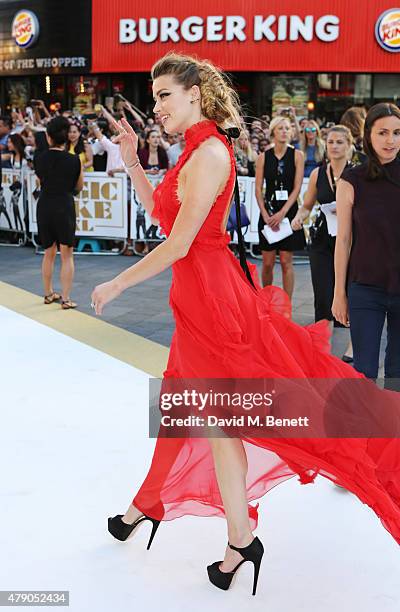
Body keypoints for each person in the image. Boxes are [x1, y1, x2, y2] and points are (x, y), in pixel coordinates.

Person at [91, 54, 400, 596]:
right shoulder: (191, 150)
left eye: (165, 94)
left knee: (231, 415)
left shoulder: (209, 152)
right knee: (197, 414)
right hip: (195, 299)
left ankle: (211, 529)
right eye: (154, 94)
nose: (156, 105)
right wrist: (133, 163)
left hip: (214, 302)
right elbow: (165, 219)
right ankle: (212, 530)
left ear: (194, 95)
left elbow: (182, 242)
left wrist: (117, 284)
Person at [333, 102, 400, 390]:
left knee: (398, 372)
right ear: (368, 135)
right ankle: (364, 433)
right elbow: (344, 239)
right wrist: (339, 293)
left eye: (397, 133)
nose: (391, 140)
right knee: (364, 371)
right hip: (365, 288)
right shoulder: (352, 179)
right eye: (383, 132)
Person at [291, 125, 354, 361]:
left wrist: (348, 209)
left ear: (349, 145)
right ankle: (321, 345)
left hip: (349, 241)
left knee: (350, 291)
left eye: (340, 142)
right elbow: (307, 205)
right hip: (322, 240)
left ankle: (352, 347)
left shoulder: (356, 173)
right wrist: (299, 218)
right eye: (331, 142)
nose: (335, 146)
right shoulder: (318, 173)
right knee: (323, 290)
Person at [34, 116, 83, 309]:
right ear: (66, 138)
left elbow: (41, 181)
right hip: (64, 204)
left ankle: (48, 294)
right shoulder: (74, 160)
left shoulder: (39, 158)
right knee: (67, 254)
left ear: (49, 136)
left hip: (45, 204)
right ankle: (65, 298)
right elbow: (79, 186)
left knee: (48, 252)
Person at [255, 115, 305, 297]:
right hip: (268, 212)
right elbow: (258, 189)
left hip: (288, 211)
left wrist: (283, 213)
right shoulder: (263, 157)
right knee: (267, 262)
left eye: (287, 128)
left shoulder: (297, 155)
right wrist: (265, 214)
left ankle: (286, 304)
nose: (284, 131)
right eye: (280, 128)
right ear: (273, 132)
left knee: (286, 261)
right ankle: (266, 300)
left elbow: (297, 187)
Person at [7, 133, 28, 232]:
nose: (8, 144)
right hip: (18, 188)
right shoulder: (11, 156)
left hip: (26, 188)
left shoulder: (26, 154)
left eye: (10, 142)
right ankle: (18, 231)